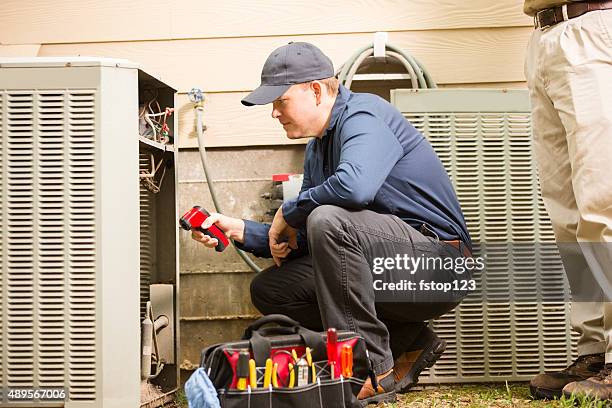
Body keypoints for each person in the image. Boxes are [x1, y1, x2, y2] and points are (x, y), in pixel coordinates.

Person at [191, 41, 472, 404]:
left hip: (440, 265)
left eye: (280, 101)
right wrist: (241, 230)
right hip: (388, 266)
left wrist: (289, 211)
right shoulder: (317, 147)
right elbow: (311, 239)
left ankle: (368, 367)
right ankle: (409, 340)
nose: (274, 113)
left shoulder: (365, 115)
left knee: (327, 217)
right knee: (272, 289)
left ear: (316, 90)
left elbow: (353, 190)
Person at [524, 0, 612, 401]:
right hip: (543, 35)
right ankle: (594, 351)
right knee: (568, 214)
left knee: (603, 203)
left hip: (593, 27)